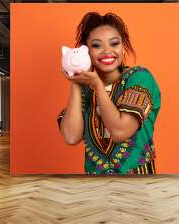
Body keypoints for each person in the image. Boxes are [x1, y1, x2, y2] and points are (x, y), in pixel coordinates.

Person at [57, 12, 161, 175]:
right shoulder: (85, 89)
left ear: (123, 46)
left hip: (138, 185)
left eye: (114, 43)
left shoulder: (140, 78)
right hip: (94, 187)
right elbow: (71, 137)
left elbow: (120, 131)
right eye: (97, 45)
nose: (107, 51)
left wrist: (97, 85)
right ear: (86, 51)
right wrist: (75, 82)